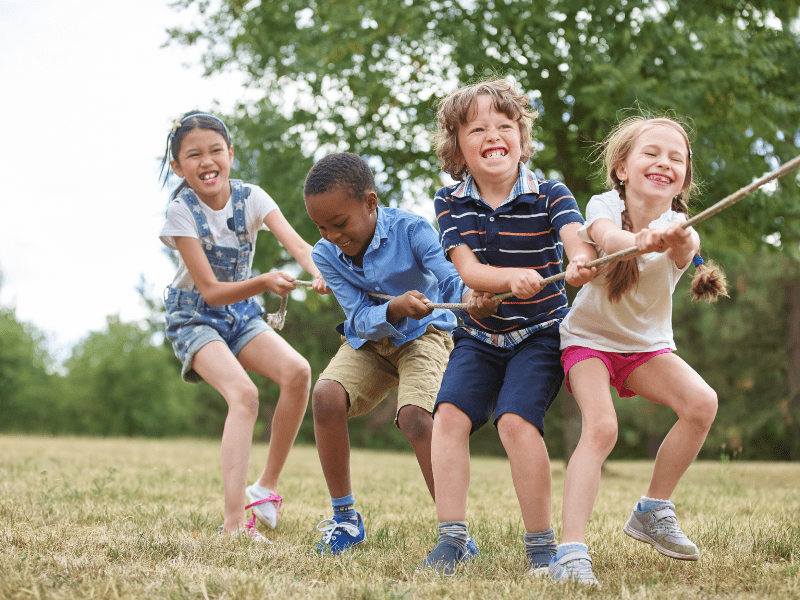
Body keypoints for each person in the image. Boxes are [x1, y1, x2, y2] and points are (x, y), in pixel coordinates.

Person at [421, 79, 597, 575]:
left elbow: (575, 237)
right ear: (457, 145)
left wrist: (582, 259)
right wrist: (507, 278)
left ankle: (541, 544)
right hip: (478, 336)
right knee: (449, 419)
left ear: (521, 137)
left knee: (516, 423)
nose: (492, 134)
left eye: (504, 124)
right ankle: (452, 538)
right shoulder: (449, 200)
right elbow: (468, 269)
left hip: (539, 333)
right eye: (476, 128)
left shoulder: (549, 192)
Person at [553, 116, 727, 585]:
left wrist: (671, 238)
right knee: (602, 428)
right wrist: (637, 241)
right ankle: (569, 553)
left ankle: (652, 509)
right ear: (622, 168)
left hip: (645, 349)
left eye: (676, 158)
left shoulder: (681, 226)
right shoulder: (603, 204)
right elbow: (608, 238)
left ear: (684, 178)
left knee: (701, 403)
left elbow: (686, 243)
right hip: (588, 342)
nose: (664, 163)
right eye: (651, 152)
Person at [303, 152, 497, 555]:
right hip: (370, 342)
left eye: (340, 223)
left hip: (425, 335)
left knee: (415, 417)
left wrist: (470, 297)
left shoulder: (412, 229)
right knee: (324, 397)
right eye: (321, 227)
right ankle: (345, 519)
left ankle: (454, 533)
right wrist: (392, 308)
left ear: (371, 203)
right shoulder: (325, 254)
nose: (332, 235)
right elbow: (357, 318)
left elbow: (447, 276)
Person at [159, 111, 328, 541]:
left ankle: (264, 490)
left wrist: (320, 271)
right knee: (245, 395)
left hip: (241, 314)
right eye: (193, 154)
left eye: (215, 150)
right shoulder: (180, 213)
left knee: (298, 372)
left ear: (230, 155)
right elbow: (212, 290)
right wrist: (266, 280)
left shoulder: (252, 198)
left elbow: (299, 245)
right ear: (178, 167)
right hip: (195, 314)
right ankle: (234, 523)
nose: (207, 160)